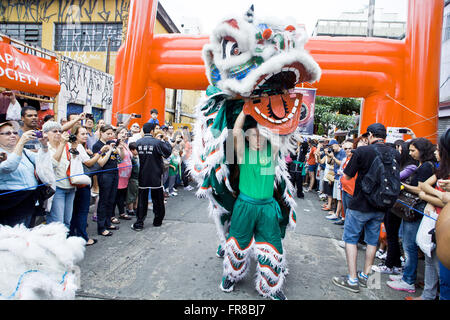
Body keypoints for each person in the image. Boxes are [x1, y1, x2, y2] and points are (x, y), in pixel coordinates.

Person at [219, 110, 288, 300]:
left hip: (267, 208)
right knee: (238, 242)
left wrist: (269, 110)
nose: (258, 139)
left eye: (261, 135)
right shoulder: (241, 153)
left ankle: (271, 286)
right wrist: (245, 110)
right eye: (253, 136)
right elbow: (236, 131)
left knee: (272, 244)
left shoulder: (272, 152)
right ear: (247, 138)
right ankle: (230, 276)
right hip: (244, 206)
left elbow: (277, 131)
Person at [332, 123, 400, 293]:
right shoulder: (395, 153)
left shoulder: (363, 151)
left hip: (360, 204)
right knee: (372, 241)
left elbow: (347, 174)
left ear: (370, 135)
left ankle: (352, 279)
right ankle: (365, 277)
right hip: (381, 205)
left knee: (351, 239)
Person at [387, 137, 436, 293]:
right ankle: (406, 275)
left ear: (422, 151)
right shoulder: (421, 166)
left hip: (415, 209)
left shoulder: (427, 167)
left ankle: (408, 280)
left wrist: (404, 185)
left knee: (409, 245)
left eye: (413, 150)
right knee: (407, 243)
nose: (411, 153)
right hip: (412, 208)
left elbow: (421, 189)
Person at [372, 140, 417, 275]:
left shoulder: (411, 167)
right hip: (395, 203)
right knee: (392, 235)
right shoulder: (402, 165)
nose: (397, 152)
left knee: (393, 236)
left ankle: (391, 264)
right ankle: (394, 263)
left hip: (400, 205)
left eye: (399, 149)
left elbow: (395, 178)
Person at [0, 122, 49, 227]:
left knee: (27, 238)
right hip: (11, 204)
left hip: (29, 201)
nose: (13, 135)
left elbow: (46, 163)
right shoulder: (5, 153)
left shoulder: (25, 151)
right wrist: (21, 142)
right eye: (7, 133)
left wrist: (44, 146)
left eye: (14, 132)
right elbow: (9, 167)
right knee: (15, 239)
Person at [68, 125, 107, 246]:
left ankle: (74, 235)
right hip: (80, 182)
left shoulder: (78, 146)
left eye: (86, 134)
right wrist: (101, 152)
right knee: (82, 211)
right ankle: (82, 237)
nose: (86, 136)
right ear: (75, 135)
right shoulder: (78, 146)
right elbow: (89, 163)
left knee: (76, 211)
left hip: (77, 182)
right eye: (82, 134)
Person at [131, 122, 172, 231]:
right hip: (156, 175)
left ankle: (139, 222)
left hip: (143, 174)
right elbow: (168, 153)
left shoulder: (138, 142)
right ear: (153, 131)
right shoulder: (157, 143)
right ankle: (158, 220)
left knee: (142, 200)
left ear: (143, 131)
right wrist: (166, 141)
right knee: (158, 199)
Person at [44, 121, 75, 229]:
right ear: (46, 134)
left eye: (60, 131)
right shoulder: (45, 148)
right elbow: (53, 163)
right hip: (56, 189)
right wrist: (62, 144)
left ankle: (64, 244)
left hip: (70, 186)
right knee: (57, 223)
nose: (58, 133)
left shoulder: (68, 145)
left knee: (67, 221)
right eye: (54, 131)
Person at [92, 125, 121, 237]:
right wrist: (109, 151)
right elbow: (100, 163)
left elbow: (119, 160)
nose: (110, 136)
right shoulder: (97, 146)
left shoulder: (111, 144)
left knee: (111, 199)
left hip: (114, 172)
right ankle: (101, 226)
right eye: (108, 134)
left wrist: (118, 149)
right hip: (105, 174)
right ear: (101, 133)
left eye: (111, 134)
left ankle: (108, 222)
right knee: (104, 200)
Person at [113, 127, 133, 221]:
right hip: (119, 173)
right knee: (116, 194)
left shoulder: (125, 144)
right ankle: (112, 215)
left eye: (125, 133)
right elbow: (119, 158)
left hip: (126, 174)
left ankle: (122, 212)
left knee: (122, 194)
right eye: (121, 132)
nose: (124, 134)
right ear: (117, 134)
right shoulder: (115, 144)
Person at [126, 142, 139, 216]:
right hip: (133, 178)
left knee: (137, 193)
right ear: (132, 150)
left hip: (138, 177)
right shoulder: (131, 159)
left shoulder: (137, 158)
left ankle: (135, 207)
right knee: (131, 194)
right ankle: (130, 209)